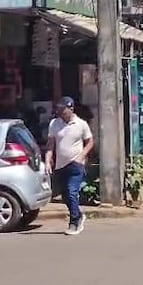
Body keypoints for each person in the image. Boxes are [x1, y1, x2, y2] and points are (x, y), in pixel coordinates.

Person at [45, 96, 94, 235]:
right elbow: (50, 144)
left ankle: (74, 222)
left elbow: (90, 142)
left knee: (72, 192)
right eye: (59, 109)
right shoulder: (54, 124)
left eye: (63, 109)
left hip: (75, 165)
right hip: (60, 165)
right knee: (65, 195)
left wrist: (81, 156)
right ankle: (78, 214)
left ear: (71, 108)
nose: (60, 112)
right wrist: (48, 159)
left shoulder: (81, 124)